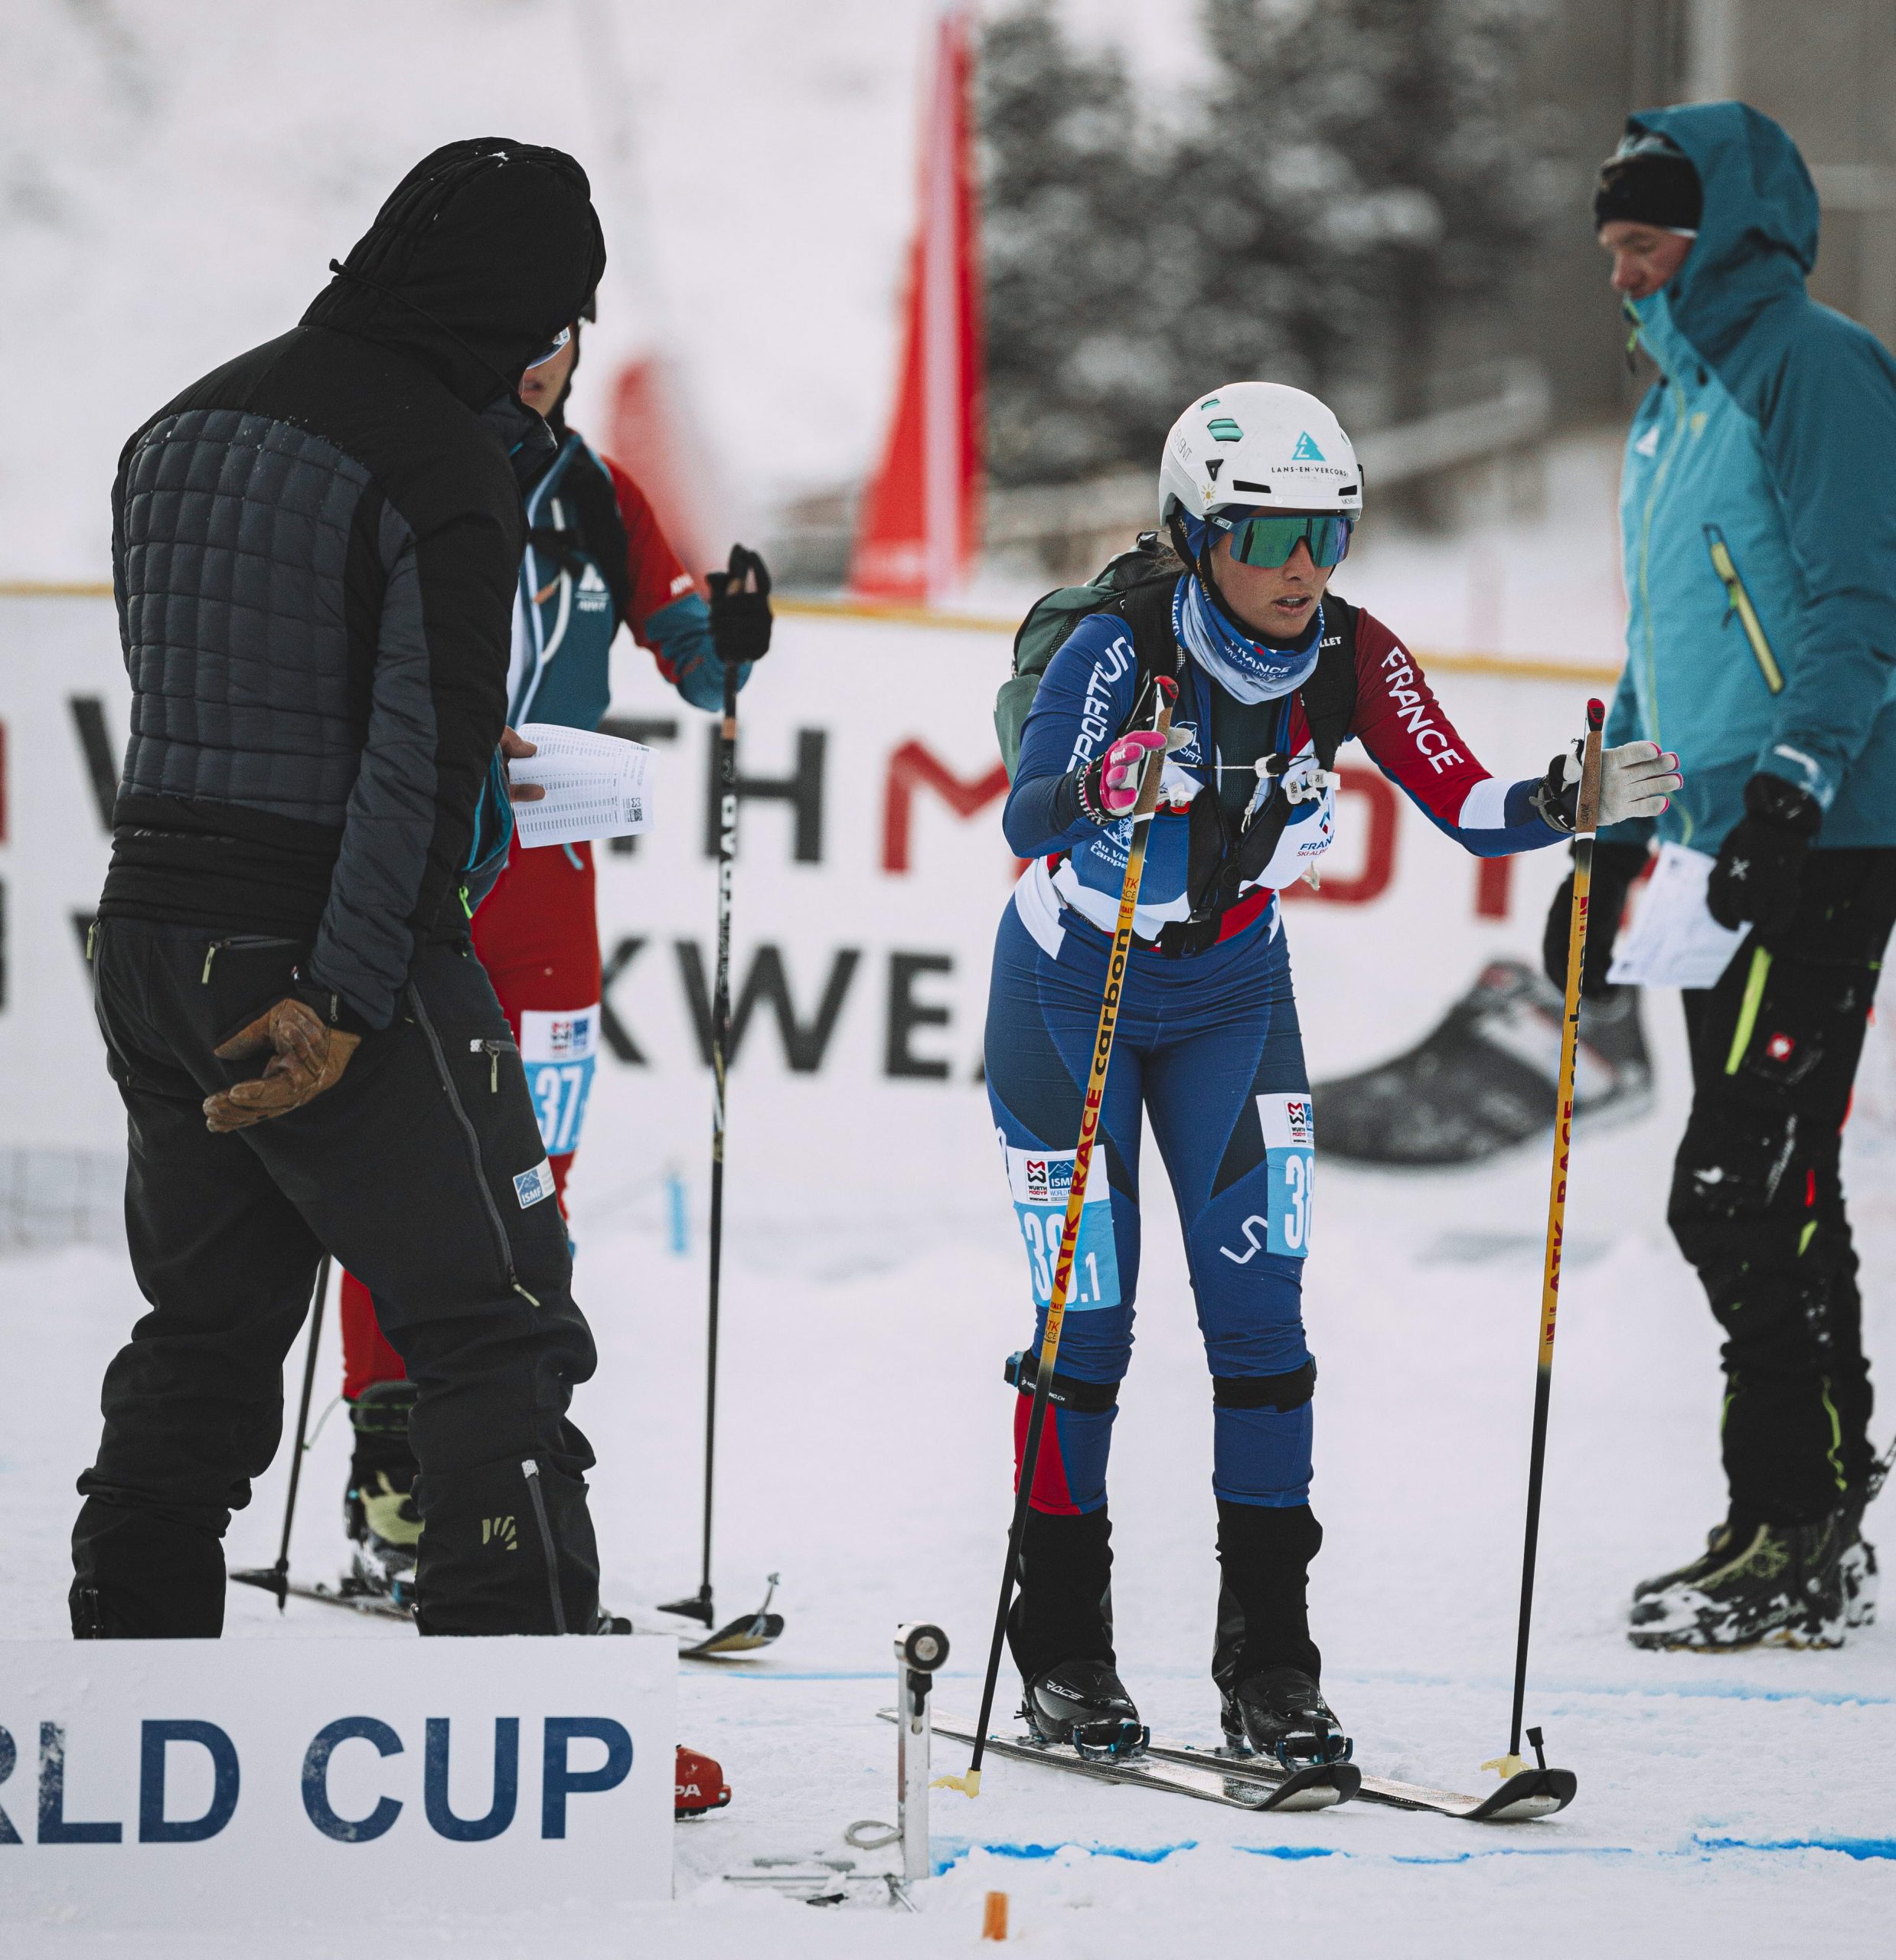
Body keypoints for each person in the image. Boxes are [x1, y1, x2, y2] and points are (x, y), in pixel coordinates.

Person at [986, 381, 1681, 1759]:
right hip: (1074, 992)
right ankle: (1062, 1650)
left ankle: (1272, 1672)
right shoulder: (1126, 646)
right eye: (1272, 535)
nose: (1304, 567)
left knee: (1264, 1336)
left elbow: (1466, 801)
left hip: (1235, 993)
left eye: (1330, 534)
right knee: (1090, 1329)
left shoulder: (1350, 651)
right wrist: (1115, 785)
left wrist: (1565, 804)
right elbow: (1028, 810)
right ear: (1197, 532)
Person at [75, 139, 614, 1638]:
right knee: (495, 1322)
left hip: (152, 940)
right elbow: (419, 765)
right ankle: (523, 1725)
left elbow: (215, 698)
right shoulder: (441, 461)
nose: (548, 358)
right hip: (319, 951)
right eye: (553, 322)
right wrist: (349, 996)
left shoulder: (174, 425)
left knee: (204, 1331)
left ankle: (128, 1697)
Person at [336, 305, 772, 1601]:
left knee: (536, 1181)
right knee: (402, 1173)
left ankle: (507, 1470)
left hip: (551, 884)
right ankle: (393, 1475)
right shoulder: (397, 460)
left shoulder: (595, 490)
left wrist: (729, 644)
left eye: (557, 337)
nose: (536, 360)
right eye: (512, 330)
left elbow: (694, 663)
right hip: (420, 866)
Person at [1547, 106, 1896, 1652]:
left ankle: (1810, 1529)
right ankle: (1783, 1515)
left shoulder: (1807, 367)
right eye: (1614, 242)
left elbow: (1859, 595)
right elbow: (1655, 656)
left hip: (1815, 834)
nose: (1623, 269)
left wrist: (1795, 782)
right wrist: (1611, 840)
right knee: (1756, 1185)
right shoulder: (1672, 406)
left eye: (1650, 239)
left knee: (1745, 1179)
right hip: (1710, 848)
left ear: (1730, 231)